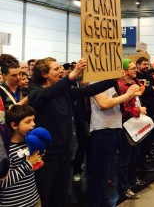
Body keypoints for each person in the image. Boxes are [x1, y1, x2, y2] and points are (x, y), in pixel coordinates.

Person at [28, 57, 117, 207]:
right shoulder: (35, 92)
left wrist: (113, 78)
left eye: (60, 68)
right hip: (45, 155)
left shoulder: (64, 91)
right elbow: (50, 93)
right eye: (56, 69)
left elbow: (90, 90)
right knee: (46, 195)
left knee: (62, 195)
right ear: (44, 74)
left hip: (64, 152)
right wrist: (72, 75)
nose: (61, 70)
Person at [87, 71, 141, 207]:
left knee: (107, 173)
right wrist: (128, 94)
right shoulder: (96, 81)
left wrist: (131, 94)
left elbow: (117, 103)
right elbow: (103, 104)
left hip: (114, 129)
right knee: (100, 173)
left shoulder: (112, 83)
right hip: (102, 130)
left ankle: (102, 202)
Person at [0, 104, 41, 207]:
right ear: (14, 125)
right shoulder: (5, 150)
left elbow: (28, 171)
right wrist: (28, 163)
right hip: (14, 203)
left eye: (33, 120)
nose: (33, 124)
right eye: (28, 122)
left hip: (34, 199)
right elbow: (3, 183)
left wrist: (36, 163)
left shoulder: (29, 142)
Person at [117, 59, 146, 200]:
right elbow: (122, 109)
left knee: (134, 155)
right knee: (125, 158)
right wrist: (138, 110)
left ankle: (132, 180)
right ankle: (123, 187)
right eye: (133, 68)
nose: (136, 70)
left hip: (136, 124)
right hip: (126, 125)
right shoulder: (120, 86)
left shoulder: (134, 83)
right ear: (124, 70)